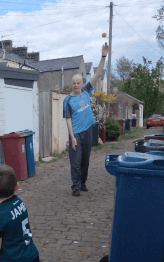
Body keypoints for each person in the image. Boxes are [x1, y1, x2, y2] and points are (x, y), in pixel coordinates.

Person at [63, 42, 109, 196]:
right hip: (76, 133)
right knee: (75, 163)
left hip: (88, 131)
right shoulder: (68, 100)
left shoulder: (86, 91)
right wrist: (72, 137)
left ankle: (82, 183)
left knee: (85, 161)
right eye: (74, 83)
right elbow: (68, 119)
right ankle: (75, 187)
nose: (76, 85)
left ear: (82, 84)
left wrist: (103, 56)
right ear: (72, 84)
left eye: (78, 83)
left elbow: (97, 74)